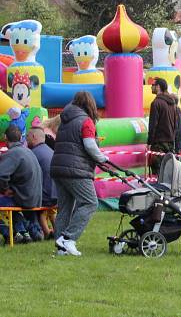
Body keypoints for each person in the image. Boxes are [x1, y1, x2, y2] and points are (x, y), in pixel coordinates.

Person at [50, 91, 108, 256]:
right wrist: (102, 158)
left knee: (65, 208)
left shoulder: (65, 120)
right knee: (90, 203)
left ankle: (61, 247)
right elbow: (89, 145)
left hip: (58, 169)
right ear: (90, 104)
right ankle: (69, 239)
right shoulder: (86, 121)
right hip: (76, 170)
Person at [0, 125, 43, 244]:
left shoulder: (12, 153)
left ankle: (10, 233)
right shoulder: (28, 151)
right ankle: (27, 231)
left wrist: (5, 190)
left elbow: (1, 176)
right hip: (35, 197)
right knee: (10, 203)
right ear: (21, 138)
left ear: (5, 138)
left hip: (23, 197)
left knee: (5, 201)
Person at [27, 127, 57, 239]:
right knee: (49, 208)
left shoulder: (32, 154)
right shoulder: (51, 151)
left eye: (27, 137)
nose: (26, 140)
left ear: (34, 137)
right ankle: (56, 230)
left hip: (44, 197)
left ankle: (45, 232)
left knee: (30, 201)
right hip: (56, 195)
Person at [147, 77, 179, 173]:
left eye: (153, 85)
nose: (151, 87)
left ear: (158, 87)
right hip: (170, 142)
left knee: (157, 171)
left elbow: (153, 124)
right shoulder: (172, 103)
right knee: (169, 170)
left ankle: (158, 188)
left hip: (159, 143)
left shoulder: (156, 103)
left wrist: (149, 142)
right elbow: (175, 123)